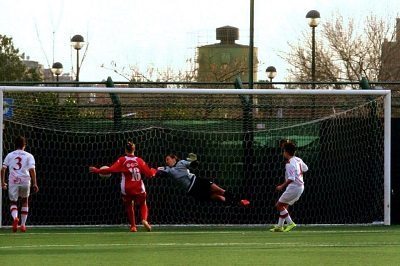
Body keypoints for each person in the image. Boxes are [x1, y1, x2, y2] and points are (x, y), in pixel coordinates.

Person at [89, 141, 156, 232]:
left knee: (129, 205)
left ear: (125, 150)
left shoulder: (122, 160)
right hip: (139, 188)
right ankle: (144, 219)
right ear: (134, 149)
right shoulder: (139, 160)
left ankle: (133, 226)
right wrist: (153, 171)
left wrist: (97, 170)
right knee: (143, 203)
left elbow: (111, 169)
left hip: (126, 189)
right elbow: (149, 174)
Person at [156, 153, 250, 206]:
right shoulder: (167, 169)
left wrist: (195, 161)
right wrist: (156, 172)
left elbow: (193, 165)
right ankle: (237, 204)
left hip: (197, 181)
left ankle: (240, 201)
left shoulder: (181, 163)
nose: (166, 161)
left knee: (219, 190)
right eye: (166, 160)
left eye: (168, 159)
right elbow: (159, 173)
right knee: (217, 197)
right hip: (192, 190)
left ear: (174, 159)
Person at [1, 136, 39, 233]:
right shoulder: (29, 155)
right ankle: (22, 225)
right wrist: (35, 183)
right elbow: (32, 170)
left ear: (15, 145)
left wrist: (2, 182)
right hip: (25, 180)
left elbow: (3, 169)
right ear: (24, 145)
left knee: (13, 202)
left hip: (13, 180)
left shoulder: (10, 155)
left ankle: (15, 218)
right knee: (25, 200)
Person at [270, 142, 308, 232]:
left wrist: (281, 186)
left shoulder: (289, 163)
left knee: (279, 205)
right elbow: (306, 169)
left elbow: (291, 178)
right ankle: (280, 226)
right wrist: (299, 173)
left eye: (283, 151)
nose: (283, 153)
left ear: (286, 153)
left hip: (294, 187)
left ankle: (290, 223)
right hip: (300, 187)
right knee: (284, 205)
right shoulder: (298, 159)